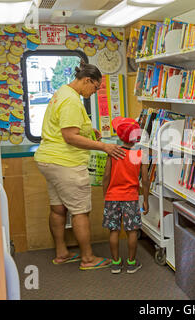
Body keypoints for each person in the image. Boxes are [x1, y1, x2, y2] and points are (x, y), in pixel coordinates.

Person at [34, 60, 126, 271]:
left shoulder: (62, 92)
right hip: (66, 162)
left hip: (48, 159)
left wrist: (88, 132)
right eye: (95, 88)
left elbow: (65, 127)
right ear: (86, 80)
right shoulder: (72, 101)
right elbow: (69, 137)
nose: (94, 92)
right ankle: (88, 258)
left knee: (58, 209)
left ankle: (62, 253)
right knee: (80, 211)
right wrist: (103, 146)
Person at [102, 117, 150, 274]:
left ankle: (115, 263)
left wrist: (106, 195)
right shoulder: (140, 154)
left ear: (120, 136)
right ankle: (131, 263)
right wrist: (146, 200)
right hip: (131, 197)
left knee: (114, 231)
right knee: (132, 231)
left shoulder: (113, 152)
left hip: (112, 197)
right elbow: (145, 179)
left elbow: (106, 176)